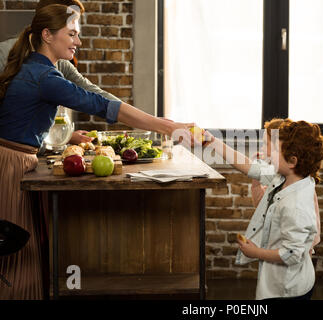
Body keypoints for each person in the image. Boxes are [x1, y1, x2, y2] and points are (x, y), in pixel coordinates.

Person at [0, 4, 193, 299]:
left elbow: (24, 122)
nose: (78, 41)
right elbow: (101, 104)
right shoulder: (46, 77)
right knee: (18, 253)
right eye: (73, 34)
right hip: (11, 165)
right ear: (48, 35)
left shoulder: (38, 68)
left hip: (15, 159)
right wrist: (166, 127)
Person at [203, 119, 323, 300]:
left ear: (292, 161)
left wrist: (255, 252)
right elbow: (248, 166)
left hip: (288, 290)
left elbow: (292, 254)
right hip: (280, 283)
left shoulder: (295, 205)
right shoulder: (286, 177)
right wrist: (212, 141)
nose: (268, 153)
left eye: (274, 149)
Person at [0, 0, 118, 146]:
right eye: (70, 29)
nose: (77, 41)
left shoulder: (60, 62)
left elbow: (92, 91)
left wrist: (129, 114)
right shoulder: (4, 53)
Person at [250, 118, 321, 256]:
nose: (262, 149)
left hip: (296, 253)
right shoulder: (278, 176)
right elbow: (260, 204)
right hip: (278, 251)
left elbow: (304, 240)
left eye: (266, 144)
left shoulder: (298, 185)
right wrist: (256, 178)